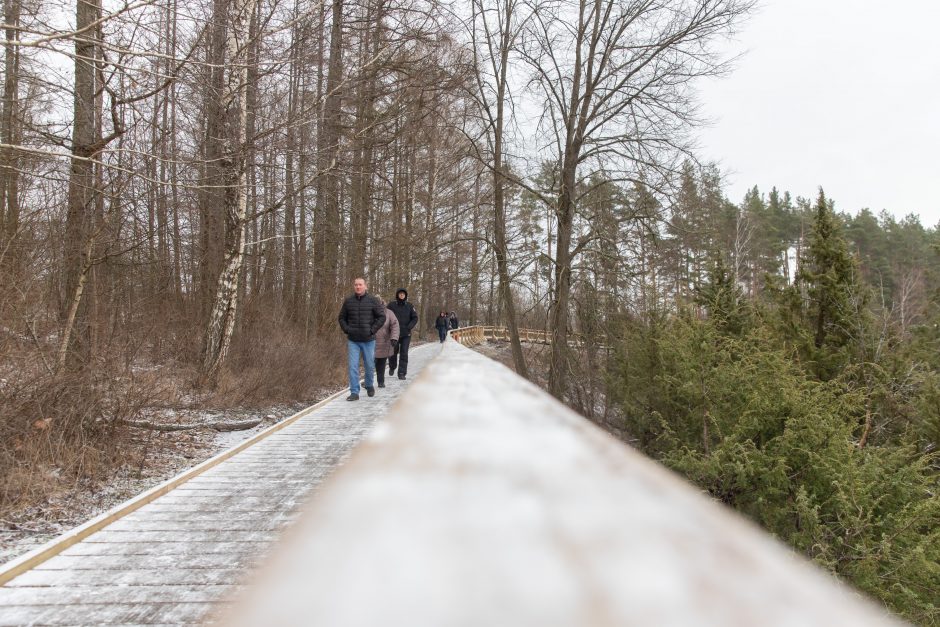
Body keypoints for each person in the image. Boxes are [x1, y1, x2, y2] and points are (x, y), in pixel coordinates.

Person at [337, 277, 385, 401]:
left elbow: (381, 317)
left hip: (369, 340)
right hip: (353, 340)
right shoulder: (348, 301)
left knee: (369, 365)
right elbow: (341, 318)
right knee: (353, 366)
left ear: (365, 286)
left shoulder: (373, 300)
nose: (358, 287)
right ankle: (354, 392)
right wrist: (347, 329)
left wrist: (372, 330)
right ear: (354, 286)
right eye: (356, 284)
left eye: (360, 284)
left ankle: (369, 384)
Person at [387, 288, 418, 380]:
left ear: (405, 296)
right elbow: (385, 316)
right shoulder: (391, 305)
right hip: (394, 333)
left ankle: (401, 373)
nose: (401, 295)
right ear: (397, 295)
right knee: (393, 353)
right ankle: (392, 366)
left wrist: (409, 326)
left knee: (404, 353)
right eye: (400, 294)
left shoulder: (409, 306)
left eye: (403, 294)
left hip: (406, 334)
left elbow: (415, 318)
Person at [373, 301, 400, 388]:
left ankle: (381, 381)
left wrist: (394, 338)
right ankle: (367, 382)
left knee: (381, 363)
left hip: (384, 342)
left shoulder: (389, 313)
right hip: (370, 342)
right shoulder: (369, 311)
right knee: (369, 363)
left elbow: (395, 325)